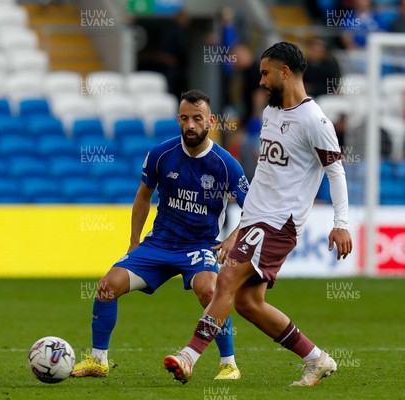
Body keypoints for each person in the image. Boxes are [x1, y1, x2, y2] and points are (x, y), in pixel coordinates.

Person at [164, 42, 353, 387]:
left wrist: (341, 224)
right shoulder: (270, 113)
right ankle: (317, 359)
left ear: (285, 72)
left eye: (266, 73)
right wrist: (240, 227)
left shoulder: (315, 120)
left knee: (227, 280)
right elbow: (264, 179)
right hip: (258, 220)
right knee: (249, 303)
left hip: (281, 223)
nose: (261, 80)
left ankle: (188, 356)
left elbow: (336, 172)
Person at [71, 90, 250, 380]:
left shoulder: (226, 164)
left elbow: (253, 209)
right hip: (159, 244)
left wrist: (232, 239)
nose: (190, 125)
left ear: (211, 121)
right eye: (184, 118)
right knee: (107, 286)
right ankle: (98, 360)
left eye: (197, 118)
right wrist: (133, 242)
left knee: (210, 291)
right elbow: (143, 196)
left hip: (199, 247)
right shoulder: (161, 155)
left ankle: (228, 364)